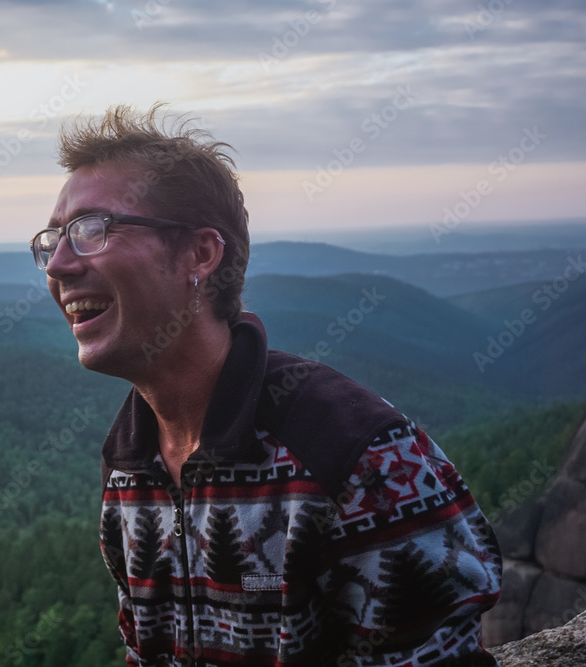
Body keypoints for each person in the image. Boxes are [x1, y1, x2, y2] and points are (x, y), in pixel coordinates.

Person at [30, 104, 502, 666]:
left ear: (200, 254)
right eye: (52, 239)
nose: (57, 265)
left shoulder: (354, 453)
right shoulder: (129, 464)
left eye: (90, 230)